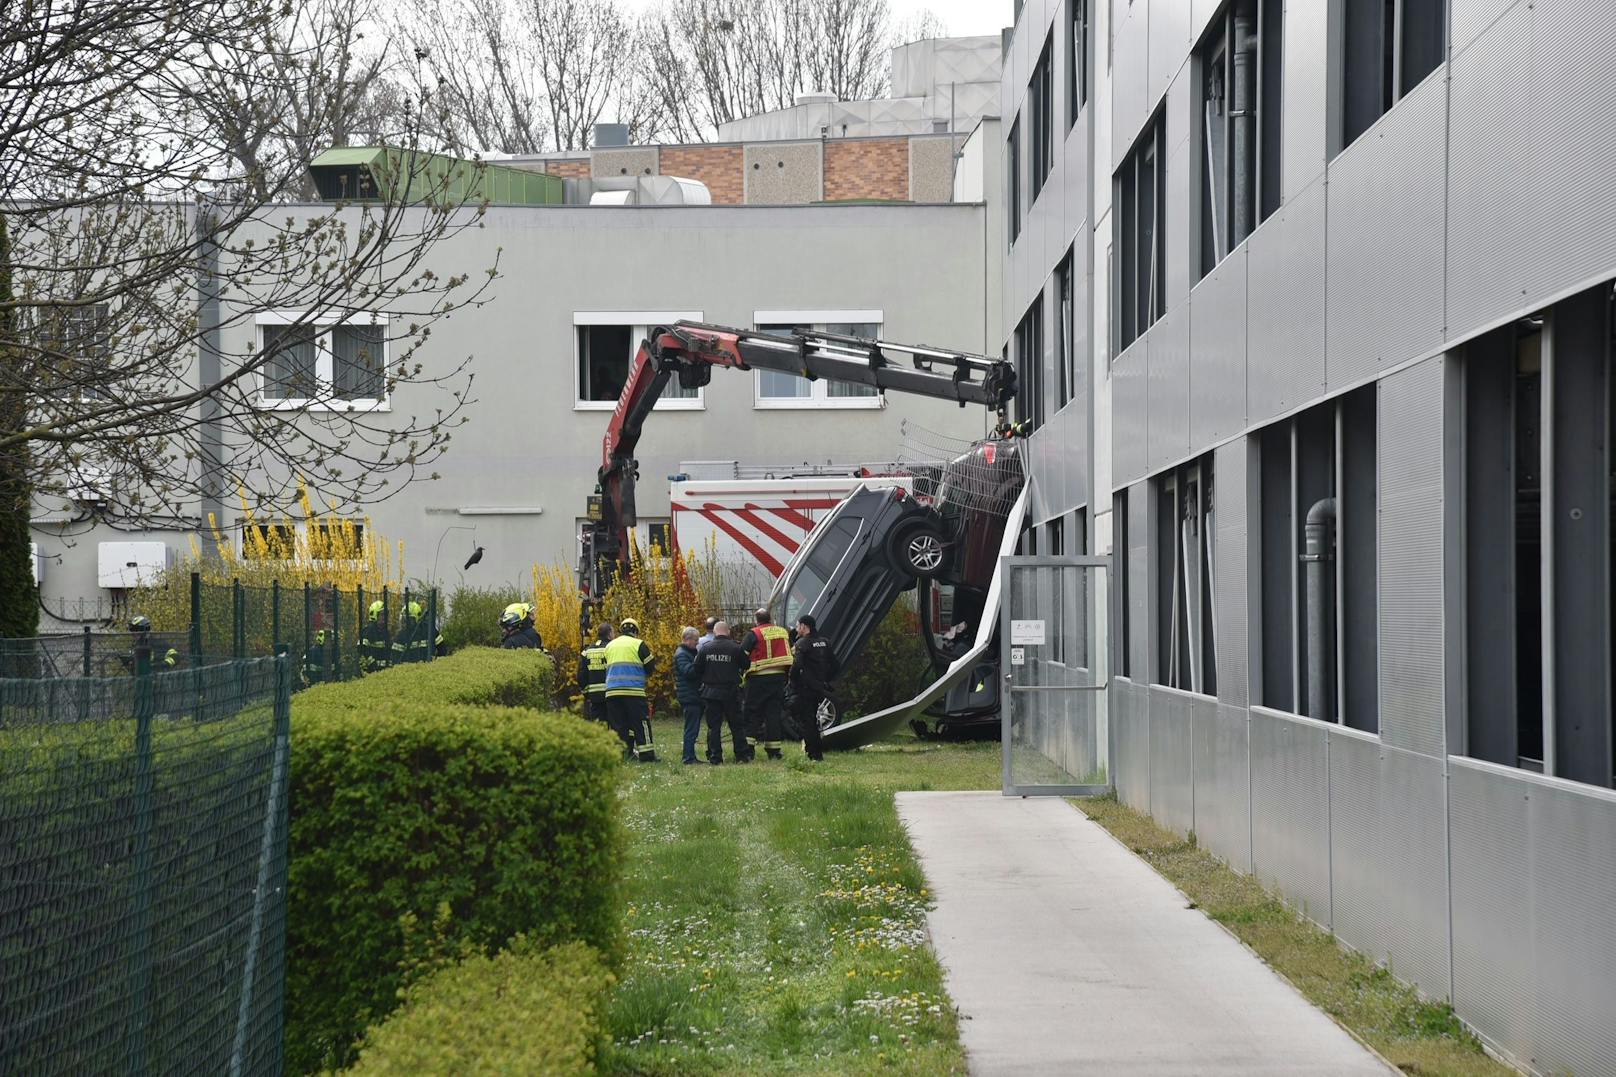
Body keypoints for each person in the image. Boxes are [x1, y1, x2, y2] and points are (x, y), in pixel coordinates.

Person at [739, 607, 792, 759]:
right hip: (778, 679)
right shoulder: (782, 632)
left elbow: (742, 654)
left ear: (757, 620)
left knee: (752, 713)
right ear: (770, 618)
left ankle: (748, 750)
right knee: (773, 714)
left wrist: (744, 670)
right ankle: (774, 751)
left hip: (757, 679)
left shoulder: (754, 633)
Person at [693, 620, 749, 764]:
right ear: (728, 631)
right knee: (736, 725)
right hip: (731, 692)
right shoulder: (736, 648)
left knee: (713, 727)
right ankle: (741, 756)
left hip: (711, 693)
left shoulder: (706, 648)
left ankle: (715, 757)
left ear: (715, 632)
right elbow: (746, 664)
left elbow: (697, 668)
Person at [604, 617, 658, 762]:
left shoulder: (610, 645)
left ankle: (620, 755)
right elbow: (650, 665)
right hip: (634, 691)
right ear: (635, 631)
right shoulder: (639, 644)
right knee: (641, 723)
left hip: (612, 692)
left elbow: (606, 666)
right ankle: (647, 755)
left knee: (618, 725)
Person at [789, 614, 836, 762]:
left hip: (805, 688)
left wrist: (792, 681)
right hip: (819, 687)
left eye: (797, 626)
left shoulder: (802, 643)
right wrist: (826, 680)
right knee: (813, 720)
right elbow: (835, 665)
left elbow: (797, 665)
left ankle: (813, 754)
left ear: (804, 626)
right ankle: (816, 751)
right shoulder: (825, 642)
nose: (797, 629)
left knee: (806, 721)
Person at [673, 626, 704, 765]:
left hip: (692, 694)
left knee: (693, 727)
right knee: (691, 728)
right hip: (689, 696)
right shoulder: (682, 654)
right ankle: (688, 757)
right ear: (687, 639)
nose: (697, 643)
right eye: (696, 640)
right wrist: (701, 663)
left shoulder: (688, 653)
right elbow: (689, 672)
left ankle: (690, 756)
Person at [577, 623, 614, 724]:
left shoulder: (587, 651)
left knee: (598, 725)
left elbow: (581, 675)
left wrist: (586, 692)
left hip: (594, 696)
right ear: (609, 634)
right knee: (614, 725)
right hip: (611, 694)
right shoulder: (613, 649)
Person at [359, 600, 391, 673]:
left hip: (384, 671)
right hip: (370, 672)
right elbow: (362, 648)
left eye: (386, 615)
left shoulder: (386, 632)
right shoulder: (368, 631)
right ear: (374, 615)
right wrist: (372, 664)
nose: (384, 617)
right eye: (382, 615)